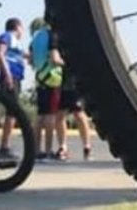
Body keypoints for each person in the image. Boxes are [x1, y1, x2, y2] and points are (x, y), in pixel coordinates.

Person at [54, 30, 96, 161]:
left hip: (75, 82)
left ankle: (87, 147)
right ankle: (63, 147)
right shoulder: (57, 39)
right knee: (61, 115)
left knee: (78, 114)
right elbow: (56, 59)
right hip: (65, 82)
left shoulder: (80, 40)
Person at [28, 16, 65, 160]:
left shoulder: (36, 37)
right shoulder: (52, 36)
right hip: (52, 78)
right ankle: (48, 151)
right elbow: (55, 59)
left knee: (40, 115)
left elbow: (31, 59)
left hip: (40, 77)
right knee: (50, 116)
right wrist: (65, 63)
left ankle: (37, 150)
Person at [0, 17, 27, 163]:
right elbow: (0, 54)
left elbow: (24, 54)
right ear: (17, 27)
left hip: (16, 77)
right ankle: (4, 147)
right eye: (22, 28)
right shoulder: (7, 36)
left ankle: (6, 146)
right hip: (10, 76)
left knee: (13, 112)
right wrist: (6, 74)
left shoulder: (17, 43)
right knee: (12, 111)